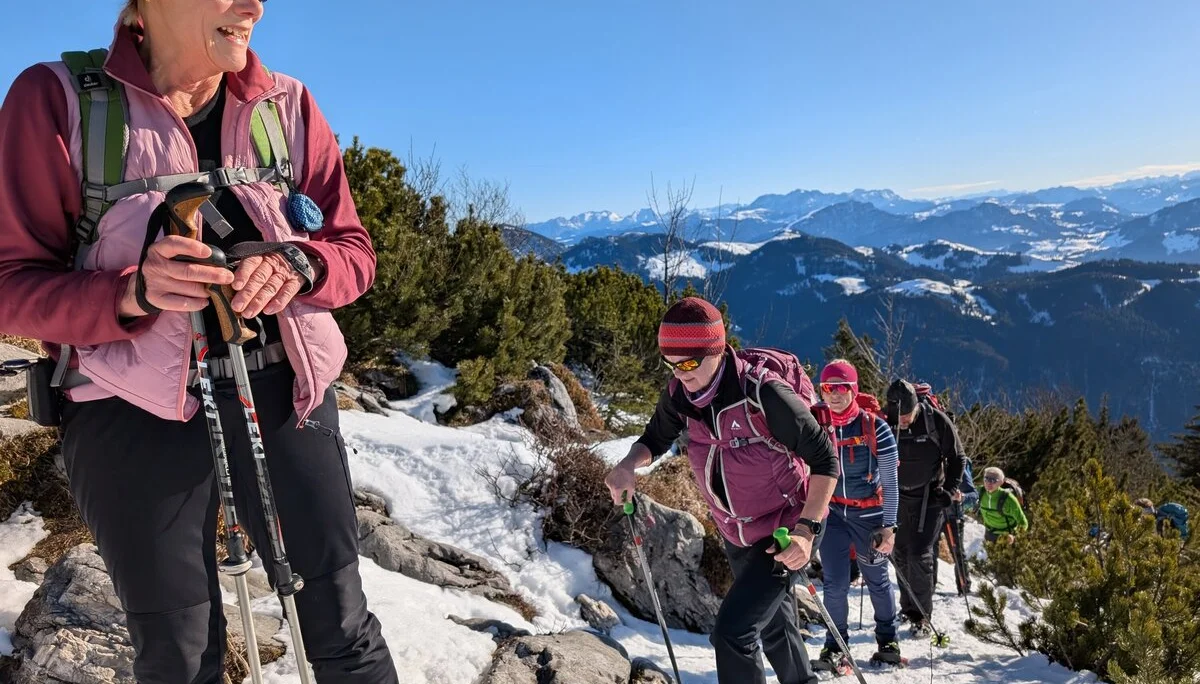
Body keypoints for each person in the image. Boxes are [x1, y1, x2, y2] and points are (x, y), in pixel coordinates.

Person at [0, 2, 399, 682]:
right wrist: (129, 294)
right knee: (181, 655)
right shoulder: (58, 99)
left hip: (284, 390)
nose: (254, 6)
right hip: (126, 409)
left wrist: (302, 265)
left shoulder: (289, 105)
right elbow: (11, 281)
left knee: (341, 627)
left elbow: (353, 250)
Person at [604, 296, 838, 684]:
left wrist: (806, 531)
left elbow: (826, 460)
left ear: (716, 350)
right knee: (774, 627)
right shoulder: (681, 392)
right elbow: (655, 438)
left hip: (786, 528)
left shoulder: (764, 393)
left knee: (732, 633)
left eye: (691, 363)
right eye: (672, 365)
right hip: (736, 531)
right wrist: (629, 465)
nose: (681, 374)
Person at [812, 360, 902, 669]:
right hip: (833, 514)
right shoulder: (817, 425)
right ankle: (835, 645)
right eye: (827, 388)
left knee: (876, 579)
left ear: (853, 390)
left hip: (871, 516)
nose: (833, 395)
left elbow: (890, 482)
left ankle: (888, 641)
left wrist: (889, 527)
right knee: (835, 583)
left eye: (841, 388)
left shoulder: (875, 427)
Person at [885, 379, 965, 636]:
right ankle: (907, 609)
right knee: (899, 552)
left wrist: (950, 490)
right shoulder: (887, 422)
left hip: (930, 497)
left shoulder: (936, 421)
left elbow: (957, 458)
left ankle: (922, 615)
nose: (904, 421)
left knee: (919, 554)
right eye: (899, 416)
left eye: (907, 415)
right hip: (898, 496)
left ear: (917, 406)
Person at [977, 467, 1029, 543]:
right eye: (986, 479)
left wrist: (1015, 536)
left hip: (1007, 537)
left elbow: (1023, 522)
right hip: (989, 534)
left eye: (993, 480)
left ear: (1001, 482)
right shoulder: (980, 492)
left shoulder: (1008, 498)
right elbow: (966, 499)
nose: (989, 483)